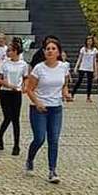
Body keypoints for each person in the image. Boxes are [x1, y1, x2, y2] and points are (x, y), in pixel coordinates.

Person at [23, 37, 71, 184]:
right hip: (39, 108)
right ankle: (30, 159)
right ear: (44, 52)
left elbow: (63, 85)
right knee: (39, 138)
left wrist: (66, 93)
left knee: (54, 139)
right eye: (48, 49)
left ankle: (52, 170)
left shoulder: (63, 67)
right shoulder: (39, 69)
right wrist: (37, 103)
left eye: (53, 49)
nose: (50, 51)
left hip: (56, 108)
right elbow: (29, 89)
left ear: (58, 52)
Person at [0, 41, 29, 155]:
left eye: (10, 50)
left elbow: (25, 77)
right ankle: (0, 136)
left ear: (15, 52)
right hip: (5, 92)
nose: (8, 52)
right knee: (7, 116)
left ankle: (16, 145)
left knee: (16, 119)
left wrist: (24, 86)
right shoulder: (4, 63)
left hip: (16, 93)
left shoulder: (23, 64)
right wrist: (9, 85)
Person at [72, 35, 98, 102]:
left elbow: (94, 60)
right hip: (83, 67)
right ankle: (72, 94)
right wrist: (76, 67)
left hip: (90, 68)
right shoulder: (83, 49)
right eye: (88, 41)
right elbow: (79, 58)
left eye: (90, 41)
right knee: (79, 81)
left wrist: (95, 70)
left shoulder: (95, 50)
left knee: (89, 83)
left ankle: (88, 97)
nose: (89, 42)